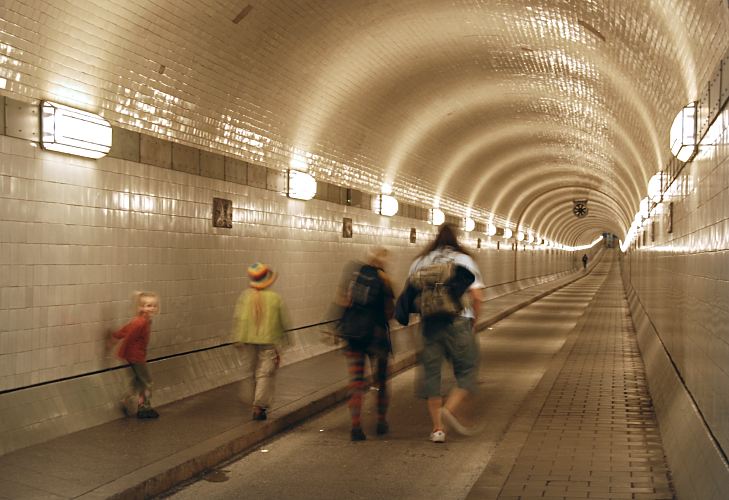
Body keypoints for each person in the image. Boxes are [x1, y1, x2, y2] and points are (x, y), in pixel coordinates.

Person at [406, 223, 484, 443]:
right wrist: (474, 322)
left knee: (432, 375)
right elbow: (477, 297)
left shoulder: (420, 261)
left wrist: (414, 328)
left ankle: (437, 429)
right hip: (459, 321)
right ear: (455, 239)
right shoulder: (464, 260)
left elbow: (411, 297)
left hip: (429, 323)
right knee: (467, 370)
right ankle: (449, 409)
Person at [336, 247, 395, 441]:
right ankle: (381, 421)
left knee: (356, 381)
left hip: (354, 335)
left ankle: (355, 427)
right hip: (377, 337)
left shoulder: (354, 276)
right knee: (382, 380)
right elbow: (389, 312)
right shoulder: (384, 280)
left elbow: (341, 301)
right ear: (382, 262)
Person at [233, 262, 288, 421]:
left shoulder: (245, 296)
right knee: (265, 374)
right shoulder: (274, 298)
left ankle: (249, 397)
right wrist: (285, 342)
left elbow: (239, 319)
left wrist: (238, 338)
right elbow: (282, 322)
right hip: (269, 341)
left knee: (248, 371)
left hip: (247, 340)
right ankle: (259, 406)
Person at [111, 291, 161, 419]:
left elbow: (127, 329)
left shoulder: (141, 320)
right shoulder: (141, 322)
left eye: (154, 306)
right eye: (148, 305)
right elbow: (129, 337)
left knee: (137, 382)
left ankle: (127, 401)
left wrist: (116, 336)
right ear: (141, 307)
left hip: (134, 356)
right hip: (136, 357)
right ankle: (144, 408)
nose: (152, 308)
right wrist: (121, 352)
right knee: (147, 382)